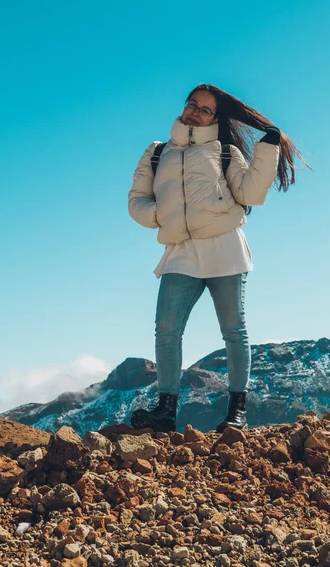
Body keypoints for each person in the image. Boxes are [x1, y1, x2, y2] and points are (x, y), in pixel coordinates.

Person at [127, 83, 309, 434]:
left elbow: (250, 193)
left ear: (215, 117)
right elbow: (137, 199)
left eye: (204, 108)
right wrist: (161, 216)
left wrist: (269, 149)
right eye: (191, 104)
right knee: (166, 329)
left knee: (233, 331)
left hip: (224, 247)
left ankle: (237, 411)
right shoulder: (157, 152)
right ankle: (165, 411)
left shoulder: (225, 152)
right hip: (180, 251)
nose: (195, 110)